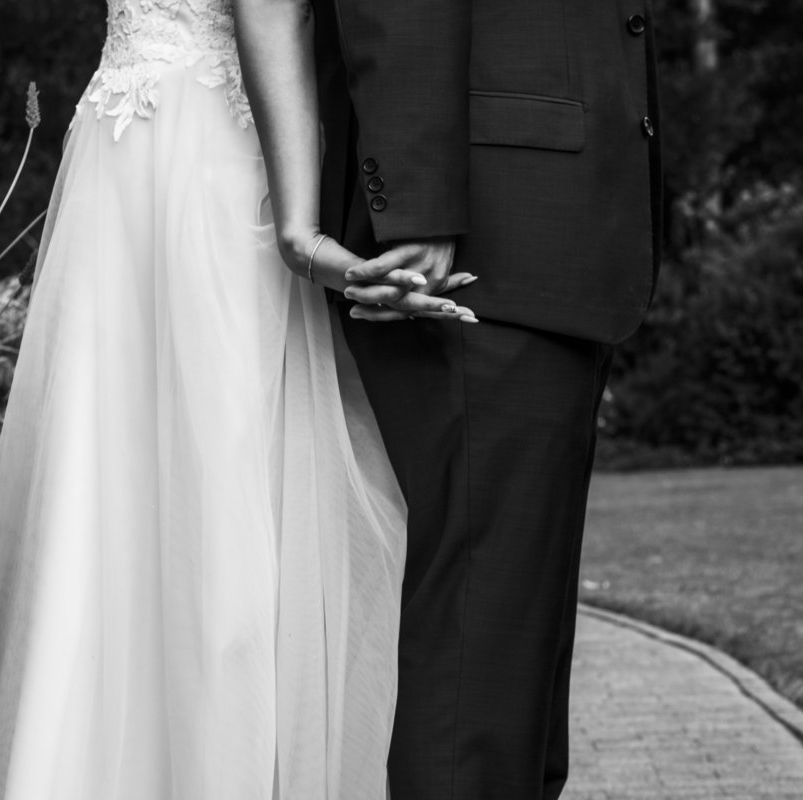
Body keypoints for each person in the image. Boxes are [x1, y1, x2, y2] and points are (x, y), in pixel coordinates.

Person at [0, 0, 475, 798]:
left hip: (122, 149)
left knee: (102, 492)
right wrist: (304, 234)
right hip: (218, 158)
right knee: (223, 494)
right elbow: (274, 15)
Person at [311, 1, 663, 798]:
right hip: (477, 241)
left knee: (514, 678)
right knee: (479, 676)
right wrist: (417, 203)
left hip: (542, 228)